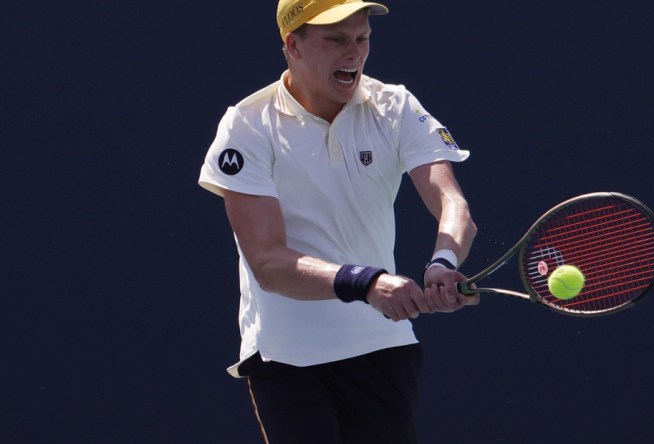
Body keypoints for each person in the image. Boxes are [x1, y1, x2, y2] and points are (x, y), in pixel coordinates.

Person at [198, 1, 479, 442]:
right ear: (292, 45)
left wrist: (442, 262)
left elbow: (453, 204)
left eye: (362, 38)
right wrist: (367, 283)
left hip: (383, 350)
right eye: (336, 40)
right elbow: (267, 263)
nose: (354, 53)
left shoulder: (396, 106)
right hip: (287, 360)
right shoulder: (247, 126)